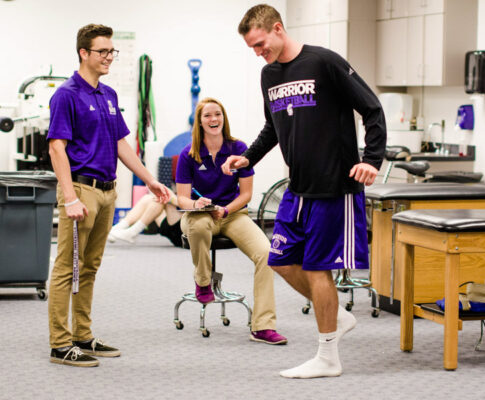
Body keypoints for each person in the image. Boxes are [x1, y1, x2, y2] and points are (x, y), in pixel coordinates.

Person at [224, 5, 386, 378]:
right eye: (252, 48)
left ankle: (328, 358)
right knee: (278, 259)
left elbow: (372, 109)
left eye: (261, 44)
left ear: (278, 29)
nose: (258, 53)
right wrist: (246, 159)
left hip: (334, 187)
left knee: (317, 269)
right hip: (298, 188)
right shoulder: (269, 75)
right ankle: (336, 316)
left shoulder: (324, 62)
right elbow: (272, 128)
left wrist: (372, 159)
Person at [47, 24, 169, 367]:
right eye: (103, 51)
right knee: (66, 269)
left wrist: (150, 180)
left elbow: (121, 145)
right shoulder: (66, 95)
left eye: (112, 51)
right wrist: (70, 197)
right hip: (81, 190)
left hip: (107, 191)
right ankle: (60, 344)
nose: (109, 57)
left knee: (89, 267)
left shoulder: (108, 95)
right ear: (84, 53)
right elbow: (57, 148)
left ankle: (82, 336)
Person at [176, 97, 287, 345]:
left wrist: (226, 210)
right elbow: (182, 198)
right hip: (199, 215)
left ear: (223, 118)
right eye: (207, 116)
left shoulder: (239, 148)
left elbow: (246, 194)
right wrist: (196, 204)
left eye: (218, 114)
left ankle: (263, 327)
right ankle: (203, 281)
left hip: (233, 214)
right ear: (200, 121)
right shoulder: (189, 154)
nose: (213, 119)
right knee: (199, 224)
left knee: (266, 254)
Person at [108, 187, 184, 247]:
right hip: (174, 225)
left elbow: (191, 205)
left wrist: (171, 199)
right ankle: (117, 228)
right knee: (148, 198)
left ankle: (132, 232)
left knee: (162, 198)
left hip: (182, 232)